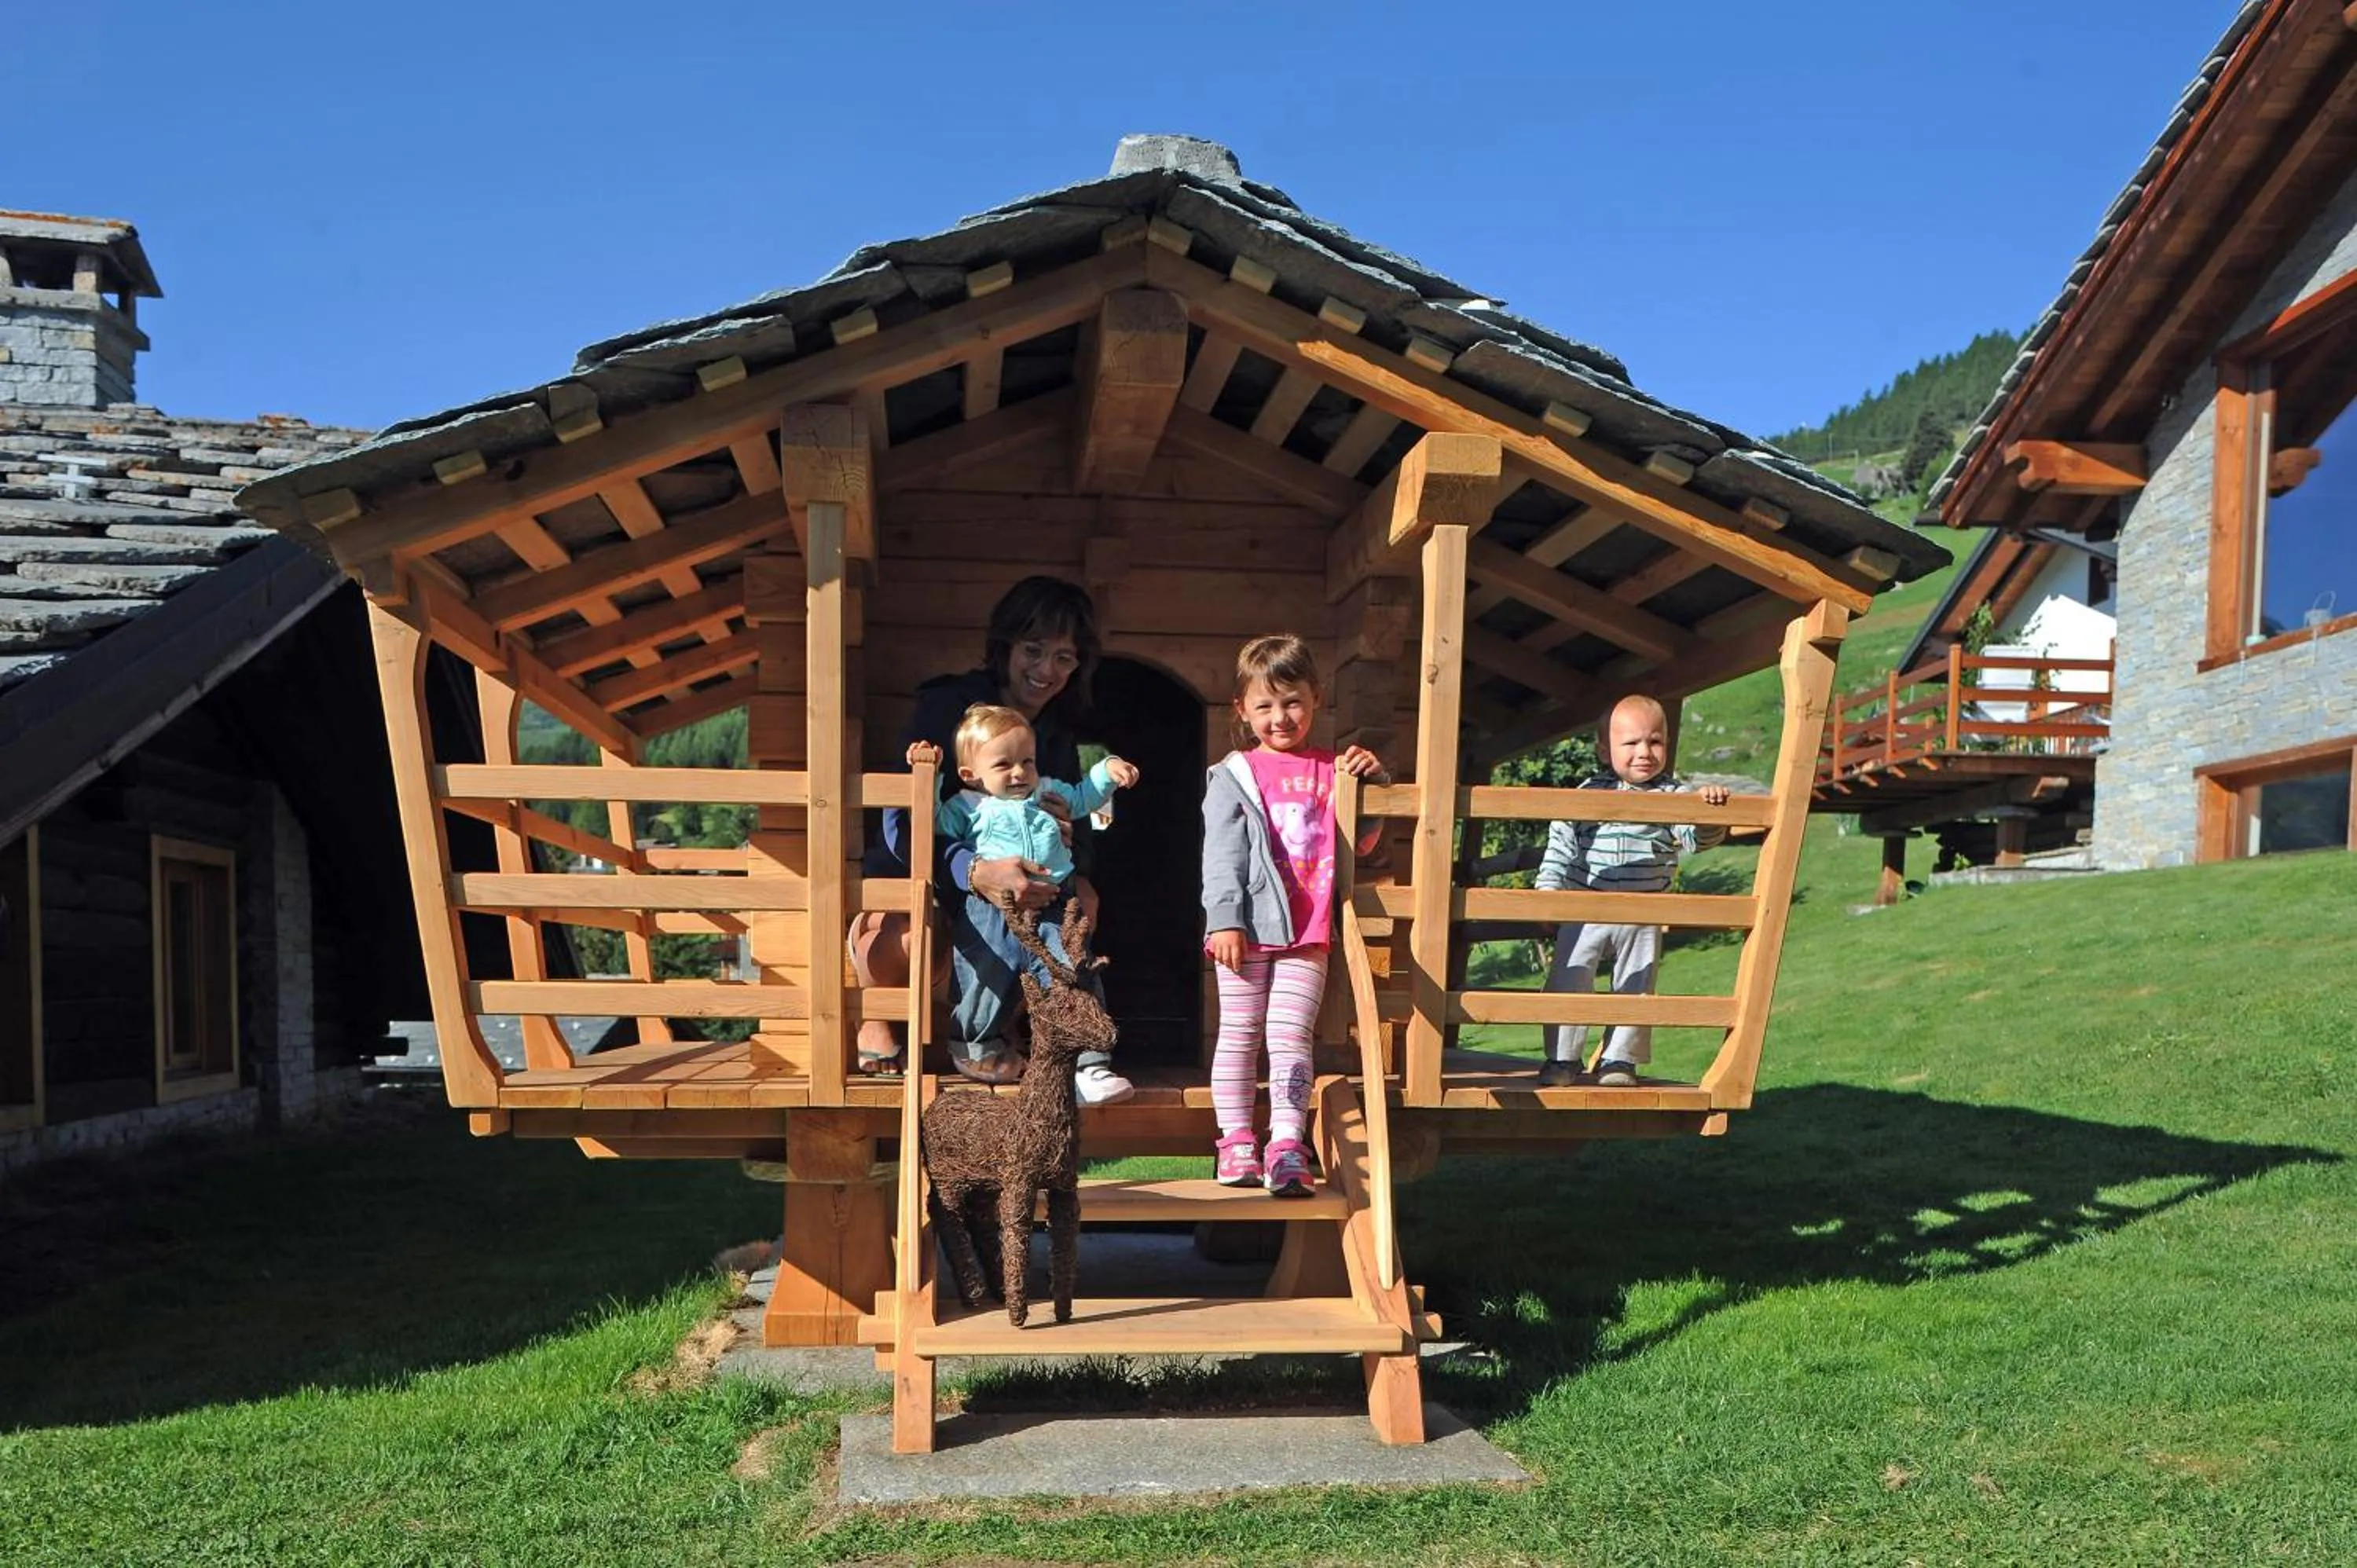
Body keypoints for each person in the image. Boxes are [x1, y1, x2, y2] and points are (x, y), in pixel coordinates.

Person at [849, 577, 1135, 1105]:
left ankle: (1048, 1039)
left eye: (1065, 658)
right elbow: (903, 822)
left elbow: (1077, 813)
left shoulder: (1058, 736)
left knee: (1083, 905)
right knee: (907, 933)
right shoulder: (946, 709)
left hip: (1029, 883)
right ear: (1004, 646)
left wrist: (1067, 845)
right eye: (1033, 650)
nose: (1047, 671)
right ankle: (881, 1014)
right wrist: (975, 871)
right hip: (936, 874)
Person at [1200, 634, 1387, 1196]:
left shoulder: (1334, 771)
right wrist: (1224, 919)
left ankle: (1286, 1143)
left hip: (1308, 932)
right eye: (1265, 705)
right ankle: (1235, 1141)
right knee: (1238, 1033)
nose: (1280, 717)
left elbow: (1364, 844)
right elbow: (1221, 854)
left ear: (1317, 698)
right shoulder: (1235, 774)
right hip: (1245, 931)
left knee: (1289, 1035)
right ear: (1242, 710)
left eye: (1292, 702)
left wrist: (1374, 785)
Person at [1484, 694, 1729, 1088]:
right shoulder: (1588, 794)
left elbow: (1695, 838)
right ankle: (1562, 1059)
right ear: (1604, 750)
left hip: (1643, 911)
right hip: (1585, 906)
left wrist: (1708, 814)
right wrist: (1547, 894)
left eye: (1655, 742)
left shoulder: (1675, 796)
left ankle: (1619, 1060)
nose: (1644, 752)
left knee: (1637, 982)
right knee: (1570, 976)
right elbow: (1561, 844)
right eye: (1630, 744)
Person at [908, 702, 1138, 947]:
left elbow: (1083, 798)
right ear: (969, 775)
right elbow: (931, 825)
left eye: (1027, 761)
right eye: (1003, 765)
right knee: (988, 980)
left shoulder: (1046, 791)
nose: (1019, 772)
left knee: (1067, 973)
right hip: (990, 910)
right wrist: (930, 779)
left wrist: (1107, 769)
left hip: (1054, 903)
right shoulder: (967, 806)